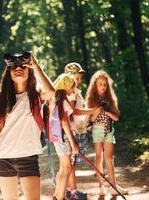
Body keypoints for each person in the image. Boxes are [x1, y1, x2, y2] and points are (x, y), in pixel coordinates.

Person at [0, 52, 55, 200]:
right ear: (8, 72)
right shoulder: (2, 99)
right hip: (3, 158)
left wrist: (36, 66)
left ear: (29, 69)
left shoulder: (36, 96)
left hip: (28, 157)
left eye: (23, 66)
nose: (18, 68)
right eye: (13, 66)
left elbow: (51, 92)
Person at [85, 70, 128, 195]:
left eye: (105, 84)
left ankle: (113, 186)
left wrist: (108, 111)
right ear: (95, 86)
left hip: (109, 129)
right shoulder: (92, 100)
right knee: (99, 158)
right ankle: (101, 186)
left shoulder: (110, 99)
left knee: (109, 158)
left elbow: (116, 118)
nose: (103, 87)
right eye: (100, 84)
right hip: (97, 129)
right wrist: (97, 110)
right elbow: (91, 119)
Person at [64, 63, 101, 199]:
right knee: (71, 164)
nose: (79, 81)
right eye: (76, 78)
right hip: (73, 132)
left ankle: (69, 190)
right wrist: (93, 110)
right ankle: (72, 192)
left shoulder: (76, 92)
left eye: (80, 78)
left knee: (72, 163)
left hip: (79, 130)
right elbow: (73, 112)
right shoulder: (70, 93)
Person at [51, 73, 79, 200]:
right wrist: (73, 144)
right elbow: (64, 123)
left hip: (57, 138)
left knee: (63, 168)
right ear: (66, 87)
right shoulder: (63, 102)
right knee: (67, 168)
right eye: (73, 87)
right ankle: (61, 197)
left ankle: (57, 194)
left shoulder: (55, 101)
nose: (74, 90)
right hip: (64, 138)